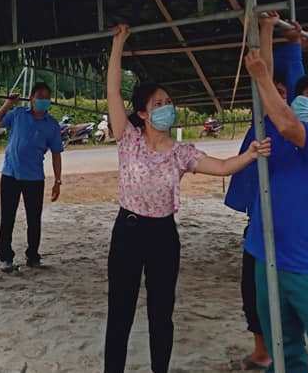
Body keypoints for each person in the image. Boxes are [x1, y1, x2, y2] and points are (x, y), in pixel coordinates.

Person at [103, 24, 270, 373]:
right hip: (128, 231)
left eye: (169, 102)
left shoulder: (181, 152)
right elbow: (113, 90)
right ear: (144, 114)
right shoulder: (128, 138)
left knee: (161, 313)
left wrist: (251, 154)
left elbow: (223, 166)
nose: (167, 108)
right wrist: (118, 44)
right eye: (158, 104)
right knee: (120, 310)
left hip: (163, 235)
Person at [238, 22, 308, 373]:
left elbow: (287, 119)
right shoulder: (279, 131)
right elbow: (272, 92)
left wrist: (260, 78)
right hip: (266, 252)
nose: (301, 100)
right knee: (283, 348)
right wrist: (268, 31)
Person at [225, 16, 306, 371]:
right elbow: (266, 74)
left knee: (286, 291)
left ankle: (285, 350)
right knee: (255, 291)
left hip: (290, 226)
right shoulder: (268, 122)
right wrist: (272, 33)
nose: (278, 95)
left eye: (284, 92)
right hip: (261, 223)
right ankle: (263, 350)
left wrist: (278, 36)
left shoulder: (296, 128)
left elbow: (286, 78)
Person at [0, 81, 63, 272]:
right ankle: (6, 257)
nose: (43, 101)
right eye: (39, 96)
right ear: (31, 98)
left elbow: (56, 154)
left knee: (34, 219)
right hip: (10, 175)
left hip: (34, 178)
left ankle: (33, 256)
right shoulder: (18, 114)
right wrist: (7, 104)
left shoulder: (52, 125)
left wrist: (57, 181)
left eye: (46, 98)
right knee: (7, 218)